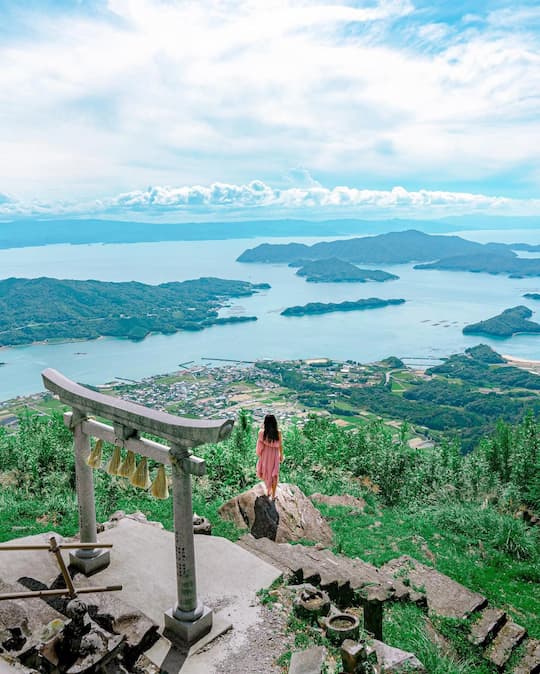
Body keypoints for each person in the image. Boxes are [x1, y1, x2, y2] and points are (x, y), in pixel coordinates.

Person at [256, 414, 283, 500]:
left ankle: (268, 491)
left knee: (266, 472)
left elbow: (259, 446)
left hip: (265, 455)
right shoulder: (278, 432)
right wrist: (281, 455)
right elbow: (280, 445)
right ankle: (273, 494)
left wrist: (259, 454)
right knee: (274, 474)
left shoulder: (261, 433)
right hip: (274, 455)